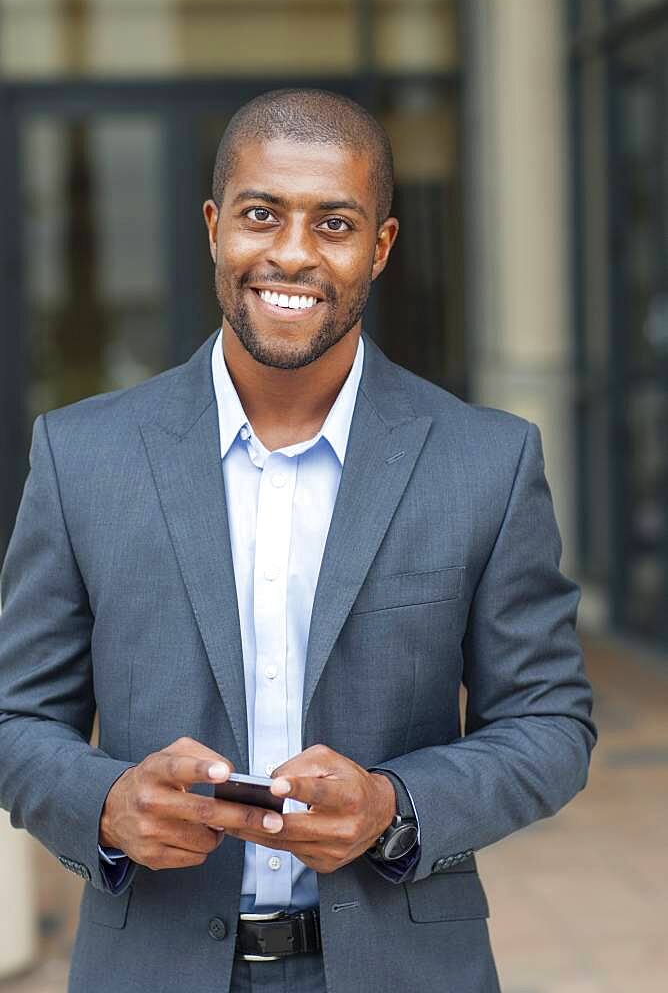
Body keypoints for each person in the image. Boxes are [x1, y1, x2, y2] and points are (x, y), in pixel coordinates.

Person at [0, 89, 596, 993]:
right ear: (213, 227)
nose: (291, 253)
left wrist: (395, 808)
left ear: (380, 247)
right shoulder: (82, 456)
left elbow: (551, 725)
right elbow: (15, 718)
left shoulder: (487, 461)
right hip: (151, 966)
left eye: (335, 223)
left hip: (402, 968)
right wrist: (109, 806)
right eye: (261, 215)